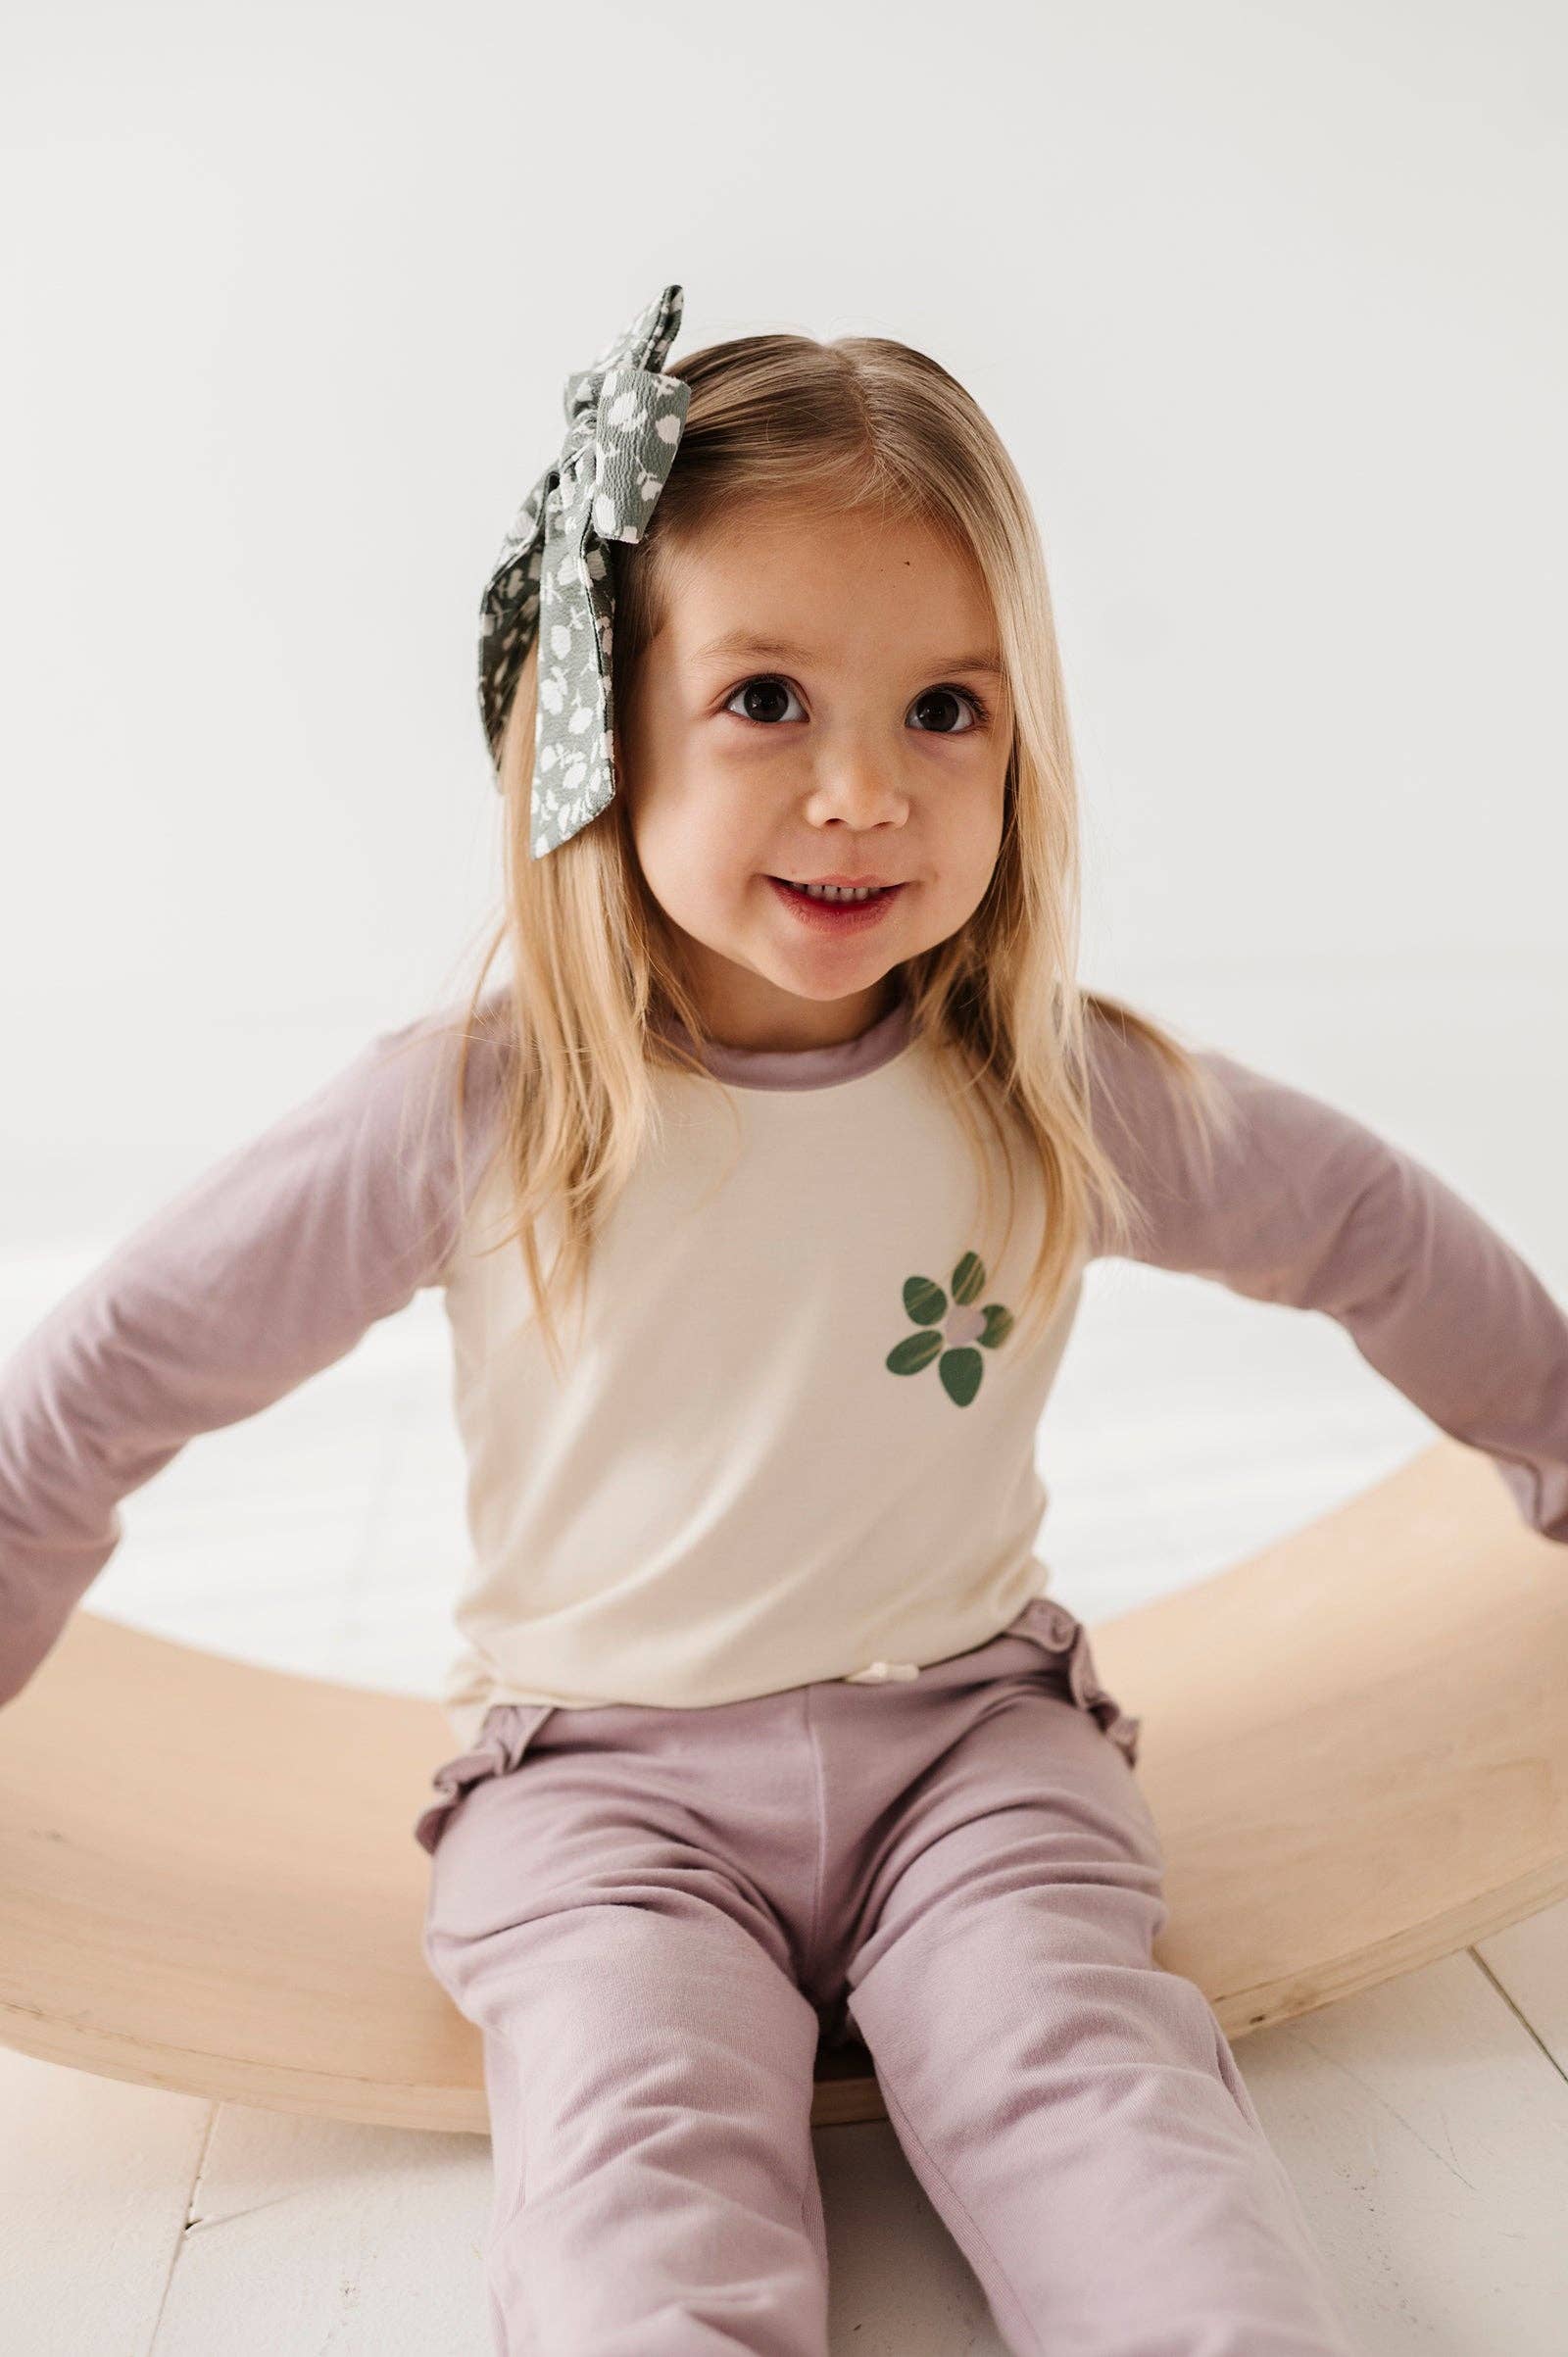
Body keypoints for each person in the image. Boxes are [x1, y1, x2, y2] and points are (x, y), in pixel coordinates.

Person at [2, 283, 1564, 2357]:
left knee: (1096, 2097)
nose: (862, 792)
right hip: (599, 1797)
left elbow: (1364, 1227)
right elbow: (120, 1365)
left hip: (974, 1752)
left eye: (945, 711)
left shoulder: (1047, 1088)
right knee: (639, 2173)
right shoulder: (484, 1114)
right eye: (765, 700)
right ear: (597, 733)